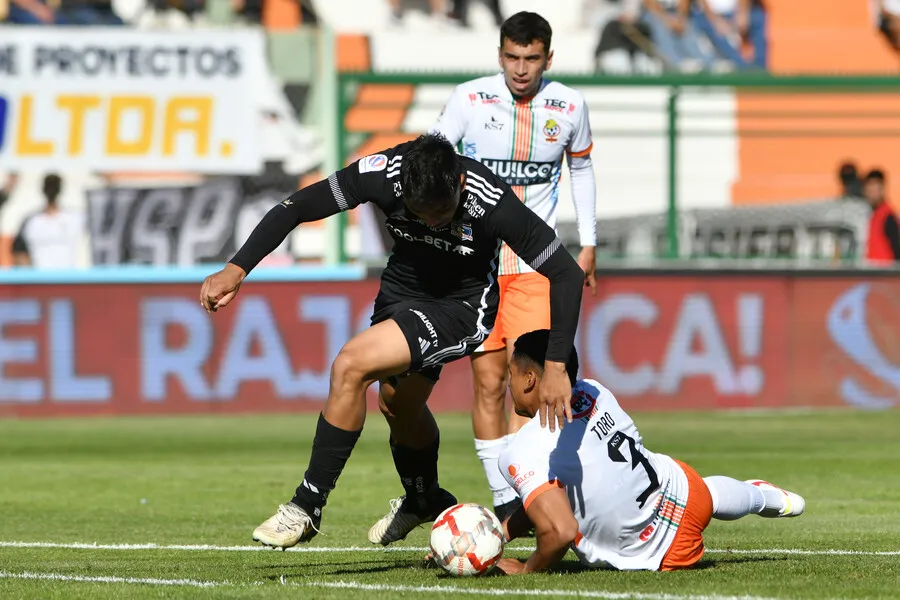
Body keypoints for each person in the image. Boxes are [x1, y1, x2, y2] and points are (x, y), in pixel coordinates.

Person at [199, 133, 585, 549]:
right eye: (422, 213)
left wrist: (556, 366)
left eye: (441, 213)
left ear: (459, 182)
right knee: (398, 404)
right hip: (399, 295)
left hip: (459, 308)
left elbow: (566, 273)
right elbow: (297, 207)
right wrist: (237, 267)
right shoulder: (384, 173)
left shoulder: (490, 199)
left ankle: (307, 505)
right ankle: (424, 498)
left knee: (350, 365)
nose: (432, 222)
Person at [429, 10, 598, 524]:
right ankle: (506, 502)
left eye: (531, 58)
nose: (521, 68)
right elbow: (430, 158)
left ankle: (536, 493)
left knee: (534, 386)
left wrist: (588, 242)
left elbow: (582, 169)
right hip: (476, 266)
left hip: (534, 266)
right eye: (512, 57)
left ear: (549, 58)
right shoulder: (469, 99)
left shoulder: (569, 105)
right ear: (499, 54)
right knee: (487, 384)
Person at [493, 329, 805, 574]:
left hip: (657, 551)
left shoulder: (522, 450)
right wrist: (502, 532)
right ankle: (764, 497)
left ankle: (762, 496)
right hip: (682, 491)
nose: (508, 383)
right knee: (709, 494)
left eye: (512, 373)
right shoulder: (594, 390)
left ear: (530, 379)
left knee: (707, 496)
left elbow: (560, 532)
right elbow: (554, 488)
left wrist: (527, 569)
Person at [12, 174, 85, 269]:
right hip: (40, 276)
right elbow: (19, 253)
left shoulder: (75, 218)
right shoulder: (31, 221)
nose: (51, 191)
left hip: (68, 276)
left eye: (54, 187)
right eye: (49, 187)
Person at [863, 169, 900, 264]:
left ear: (882, 190)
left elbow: (896, 248)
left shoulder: (888, 216)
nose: (871, 194)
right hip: (873, 269)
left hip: (884, 270)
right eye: (869, 191)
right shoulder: (872, 214)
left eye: (874, 190)